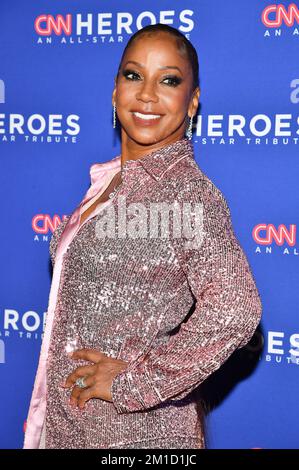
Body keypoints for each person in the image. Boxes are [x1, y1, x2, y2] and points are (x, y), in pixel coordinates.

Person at [23, 23, 262, 449]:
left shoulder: (188, 194)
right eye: (134, 75)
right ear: (115, 92)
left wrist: (134, 382)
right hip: (71, 427)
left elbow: (235, 310)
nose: (147, 94)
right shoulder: (109, 181)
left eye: (168, 80)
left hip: (132, 437)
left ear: (192, 103)